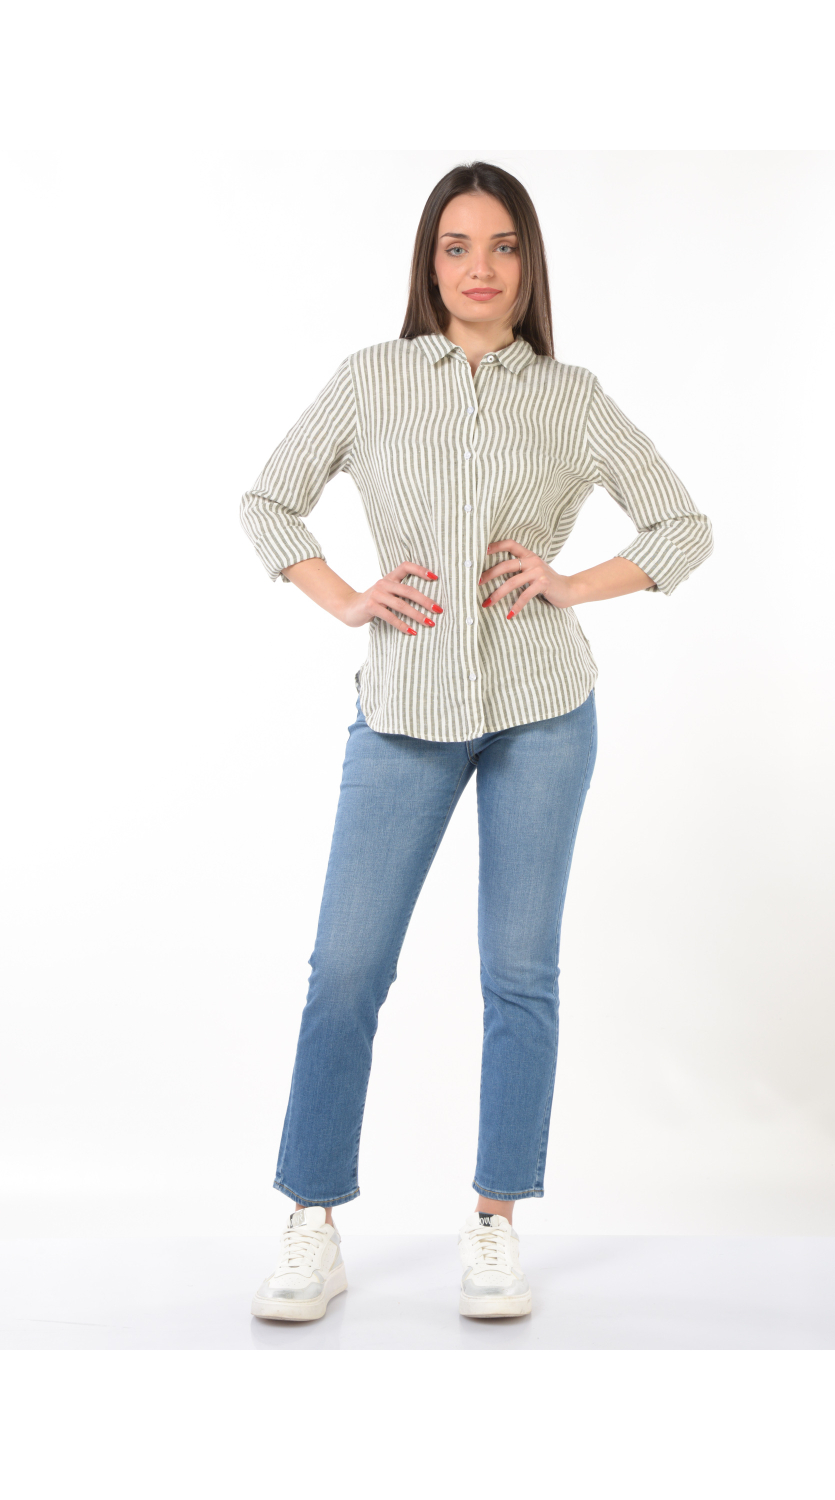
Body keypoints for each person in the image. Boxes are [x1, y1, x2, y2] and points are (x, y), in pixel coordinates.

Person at [240, 161, 713, 1323]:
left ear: (528, 263)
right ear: (430, 262)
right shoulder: (371, 379)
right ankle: (312, 1219)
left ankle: (495, 1224)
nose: (481, 268)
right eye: (457, 246)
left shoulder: (572, 397)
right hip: (403, 708)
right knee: (346, 970)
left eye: (502, 246)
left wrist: (571, 581)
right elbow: (268, 501)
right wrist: (347, 598)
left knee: (520, 975)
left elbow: (683, 525)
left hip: (542, 710)